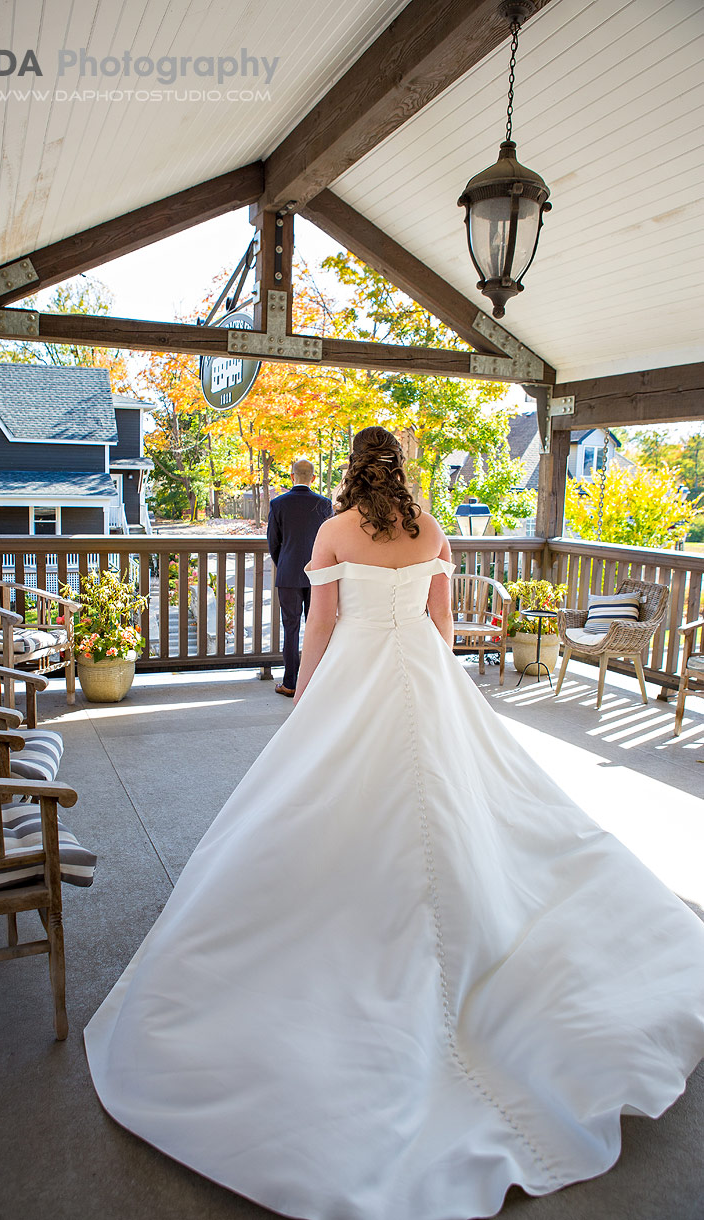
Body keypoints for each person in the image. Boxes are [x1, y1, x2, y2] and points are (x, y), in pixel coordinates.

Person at [86, 426, 704, 1220]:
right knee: (463, 801)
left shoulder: (335, 530)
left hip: (357, 670)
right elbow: (441, 628)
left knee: (335, 803)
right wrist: (433, 681)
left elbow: (319, 624)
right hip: (419, 668)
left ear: (350, 468)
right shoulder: (432, 529)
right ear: (401, 469)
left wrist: (306, 699)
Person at [266, 458, 333, 696]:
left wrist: (284, 563)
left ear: (292, 476)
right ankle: (316, 682)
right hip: (318, 574)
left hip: (288, 574)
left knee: (291, 629)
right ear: (313, 478)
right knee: (318, 627)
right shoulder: (325, 505)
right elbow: (329, 542)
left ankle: (291, 683)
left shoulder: (278, 504)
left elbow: (273, 543)